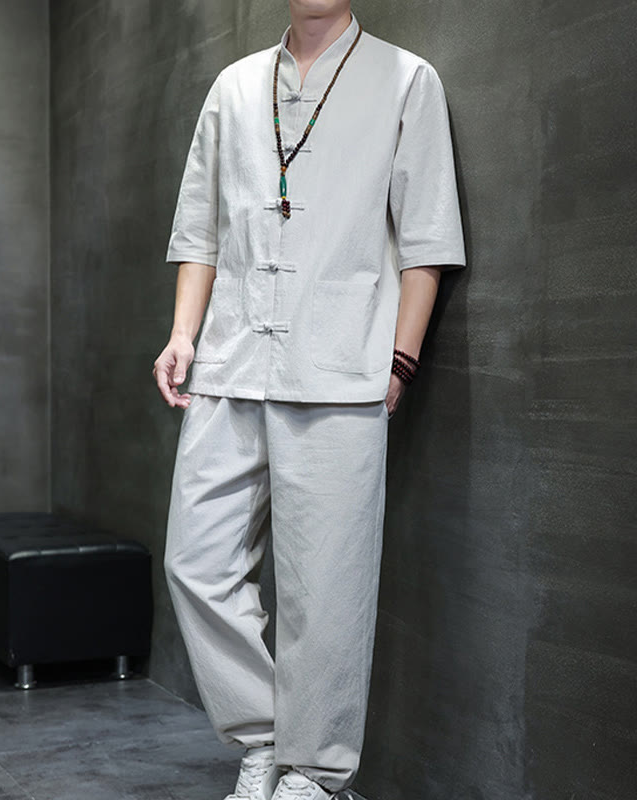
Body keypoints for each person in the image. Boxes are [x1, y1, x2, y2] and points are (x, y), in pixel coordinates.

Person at [153, 2, 466, 798]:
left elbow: (427, 240)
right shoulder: (233, 87)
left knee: (327, 590)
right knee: (196, 563)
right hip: (229, 363)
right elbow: (199, 233)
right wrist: (184, 335)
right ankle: (266, 737)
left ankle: (314, 775)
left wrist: (400, 359)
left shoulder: (406, 81)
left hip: (339, 365)